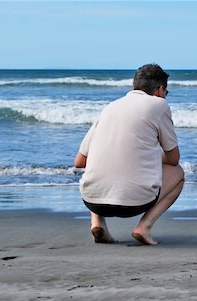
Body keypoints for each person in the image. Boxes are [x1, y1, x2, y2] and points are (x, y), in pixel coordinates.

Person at [74, 64, 184, 245]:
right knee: (179, 174)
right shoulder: (159, 105)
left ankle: (97, 222)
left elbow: (79, 161)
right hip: (135, 204)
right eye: (166, 91)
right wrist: (150, 156)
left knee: (99, 162)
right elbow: (173, 159)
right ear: (160, 89)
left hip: (91, 199)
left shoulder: (110, 107)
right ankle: (144, 227)